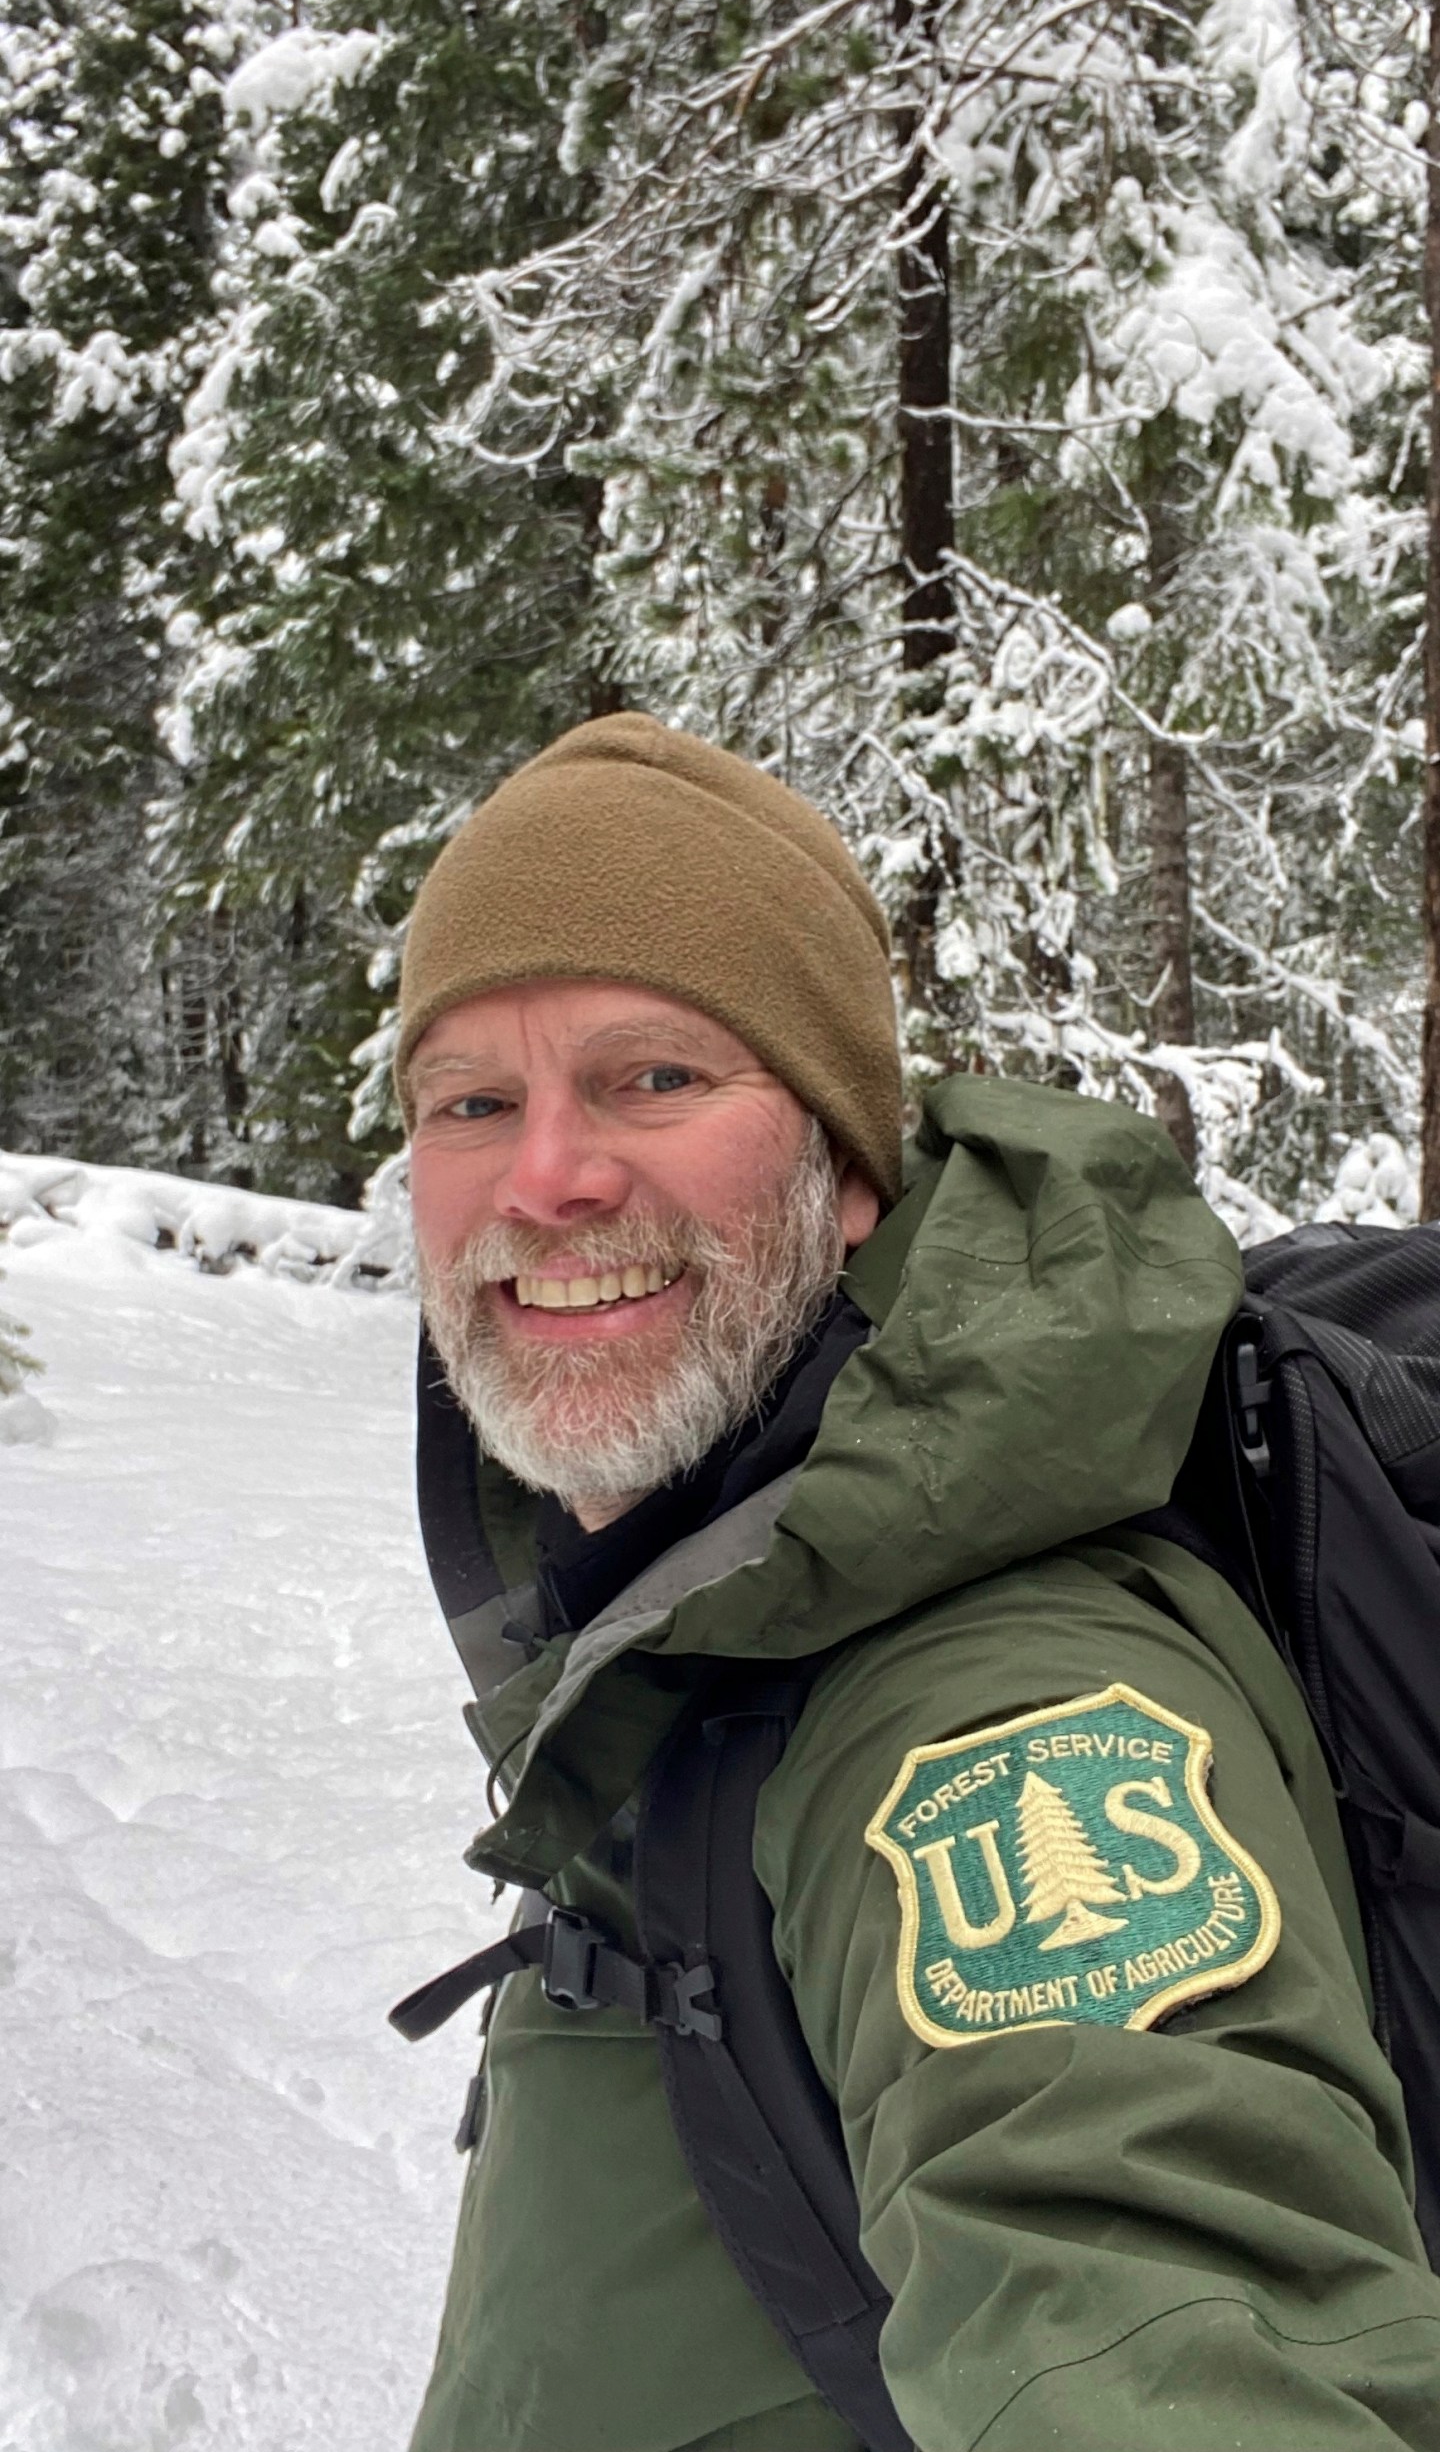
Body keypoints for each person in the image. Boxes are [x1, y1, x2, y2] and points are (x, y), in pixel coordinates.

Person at [395, 712, 1440, 2452]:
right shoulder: (722, 1565)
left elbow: (1155, 2308)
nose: (548, 1175)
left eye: (655, 1076)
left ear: (849, 1169)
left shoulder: (995, 1703)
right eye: (471, 1102)